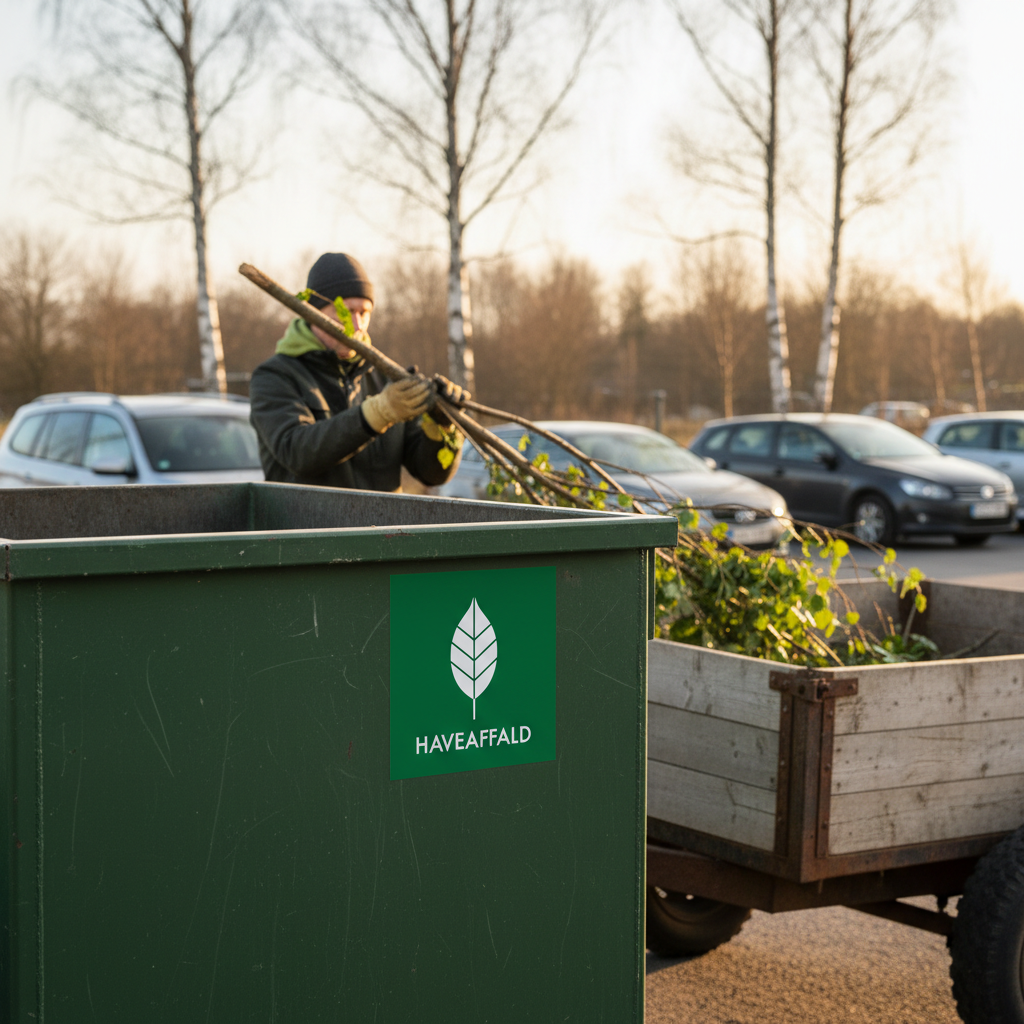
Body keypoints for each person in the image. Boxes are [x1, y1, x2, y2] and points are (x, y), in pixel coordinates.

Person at [249, 252, 465, 491]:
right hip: (310, 527)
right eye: (347, 311)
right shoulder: (274, 377)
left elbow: (430, 475)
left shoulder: (385, 378)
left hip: (384, 528)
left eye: (364, 312)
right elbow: (297, 453)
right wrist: (378, 413)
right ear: (313, 313)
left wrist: (442, 427)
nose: (357, 324)